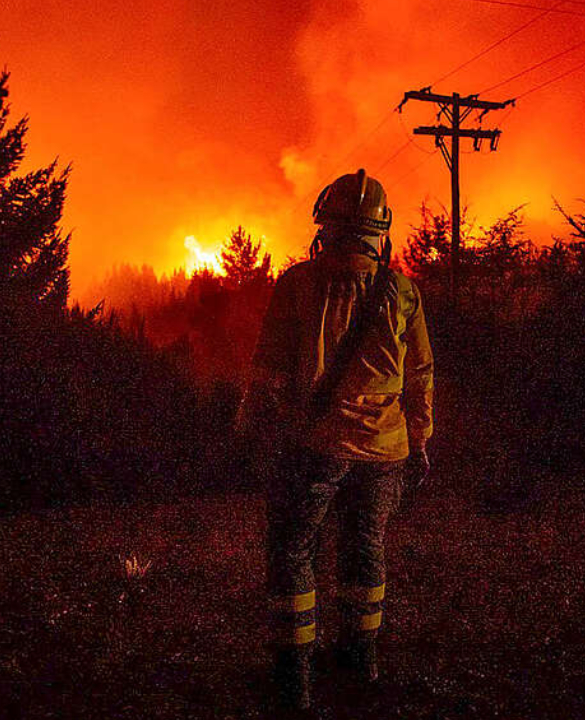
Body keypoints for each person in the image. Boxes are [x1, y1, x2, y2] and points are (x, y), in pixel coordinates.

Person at [235, 169, 435, 712]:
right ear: (381, 231)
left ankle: (294, 678)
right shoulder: (404, 293)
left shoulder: (297, 285)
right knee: (364, 549)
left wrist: (251, 427)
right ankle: (360, 659)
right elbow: (420, 376)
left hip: (313, 447)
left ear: (325, 224)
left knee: (294, 551)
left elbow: (268, 371)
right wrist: (419, 440)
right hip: (384, 452)